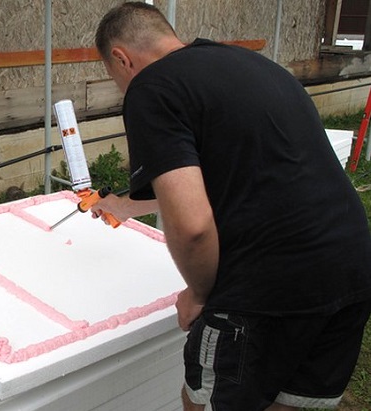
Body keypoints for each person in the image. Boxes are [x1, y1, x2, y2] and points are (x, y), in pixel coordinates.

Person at [92, 3, 371, 410]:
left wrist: (200, 294)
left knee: (205, 401)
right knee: (289, 400)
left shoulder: (152, 86)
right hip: (351, 265)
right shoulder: (249, 64)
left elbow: (193, 226)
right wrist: (125, 206)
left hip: (270, 281)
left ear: (121, 58)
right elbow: (236, 173)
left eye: (113, 77)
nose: (121, 87)